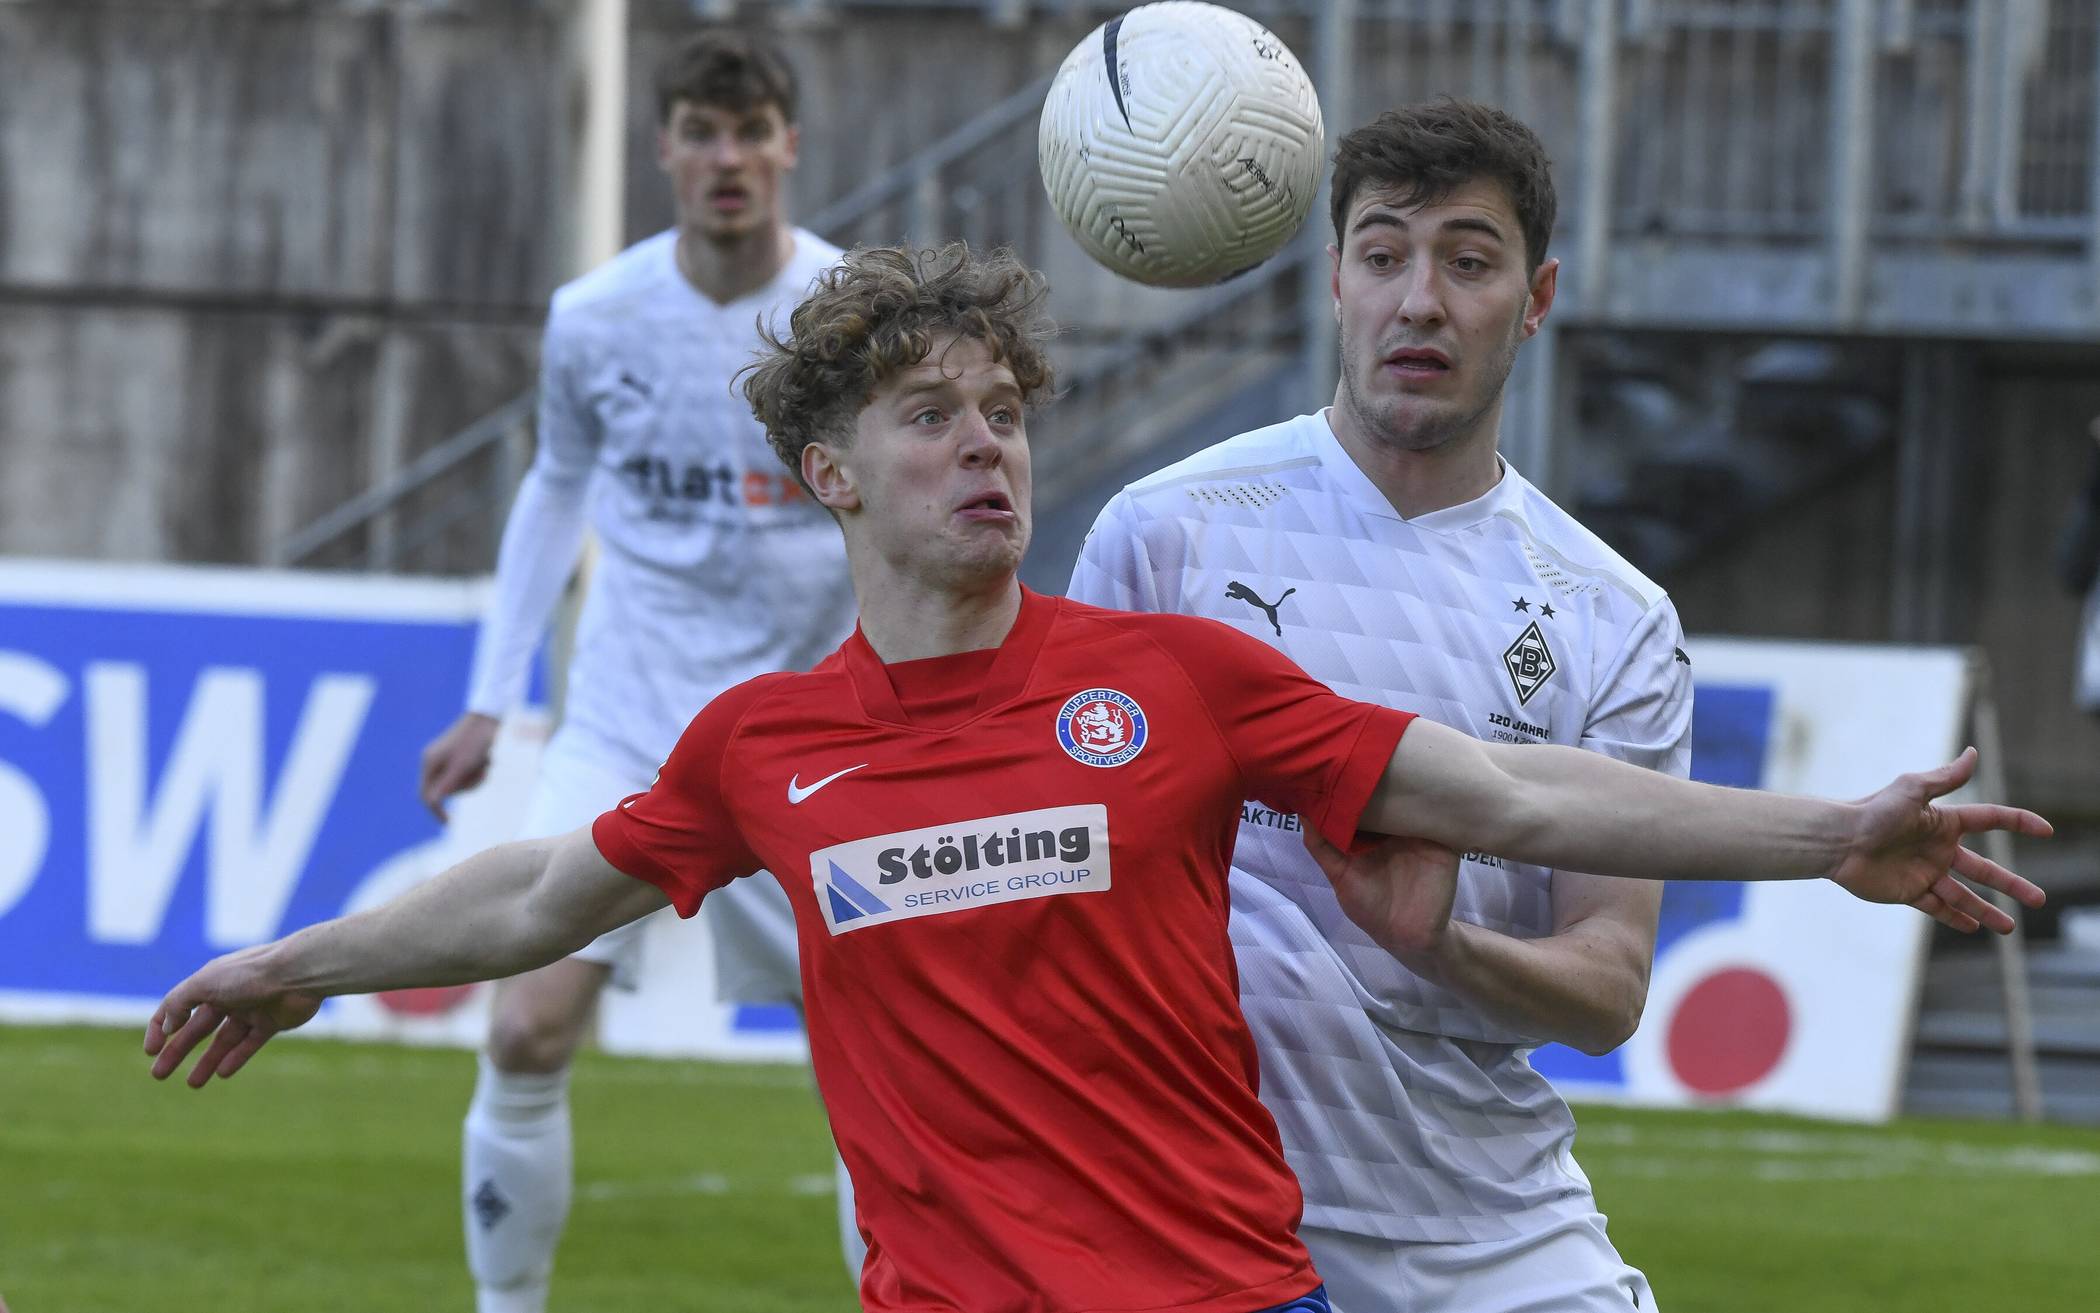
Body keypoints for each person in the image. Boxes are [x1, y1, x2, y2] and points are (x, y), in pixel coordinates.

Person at [149, 243, 2048, 1313]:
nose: (987, 448)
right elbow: (544, 894)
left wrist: (1836, 832)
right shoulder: (761, 748)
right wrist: (289, 960)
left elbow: (1522, 798)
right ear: (830, 472)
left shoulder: (1182, 683)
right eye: (930, 417)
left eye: (1005, 411)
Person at [1067, 99, 1686, 1310]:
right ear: (1336, 277)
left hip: (1488, 1215)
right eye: (1386, 252)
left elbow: (1608, 987)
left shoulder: (1614, 615)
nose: (1422, 300)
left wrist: (1439, 944)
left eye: (1468, 260)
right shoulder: (1166, 533)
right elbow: (1080, 879)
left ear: (1537, 297)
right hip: (1205, 1209)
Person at [409, 29, 860, 1313]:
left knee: (884, 1065)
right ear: (663, 147)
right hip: (628, 723)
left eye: (752, 128)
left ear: (788, 146)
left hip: (808, 733)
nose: (728, 157)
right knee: (526, 1023)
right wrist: (492, 694)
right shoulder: (593, 317)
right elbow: (557, 491)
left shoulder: (846, 314)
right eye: (702, 132)